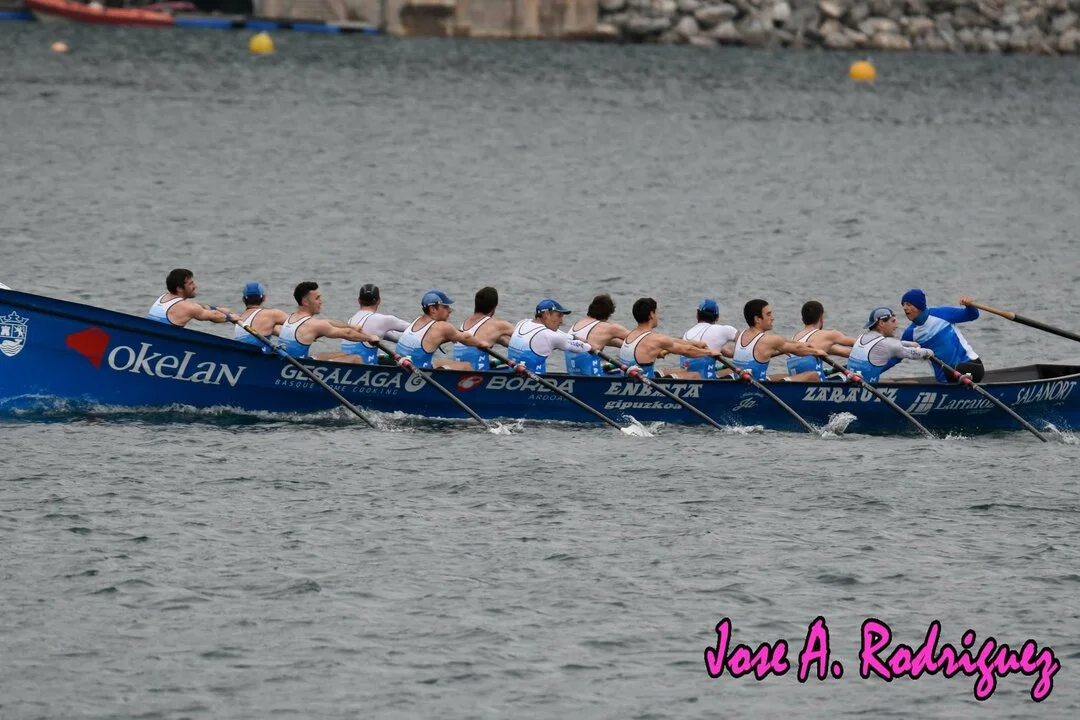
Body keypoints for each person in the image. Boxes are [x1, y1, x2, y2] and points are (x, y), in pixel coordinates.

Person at [618, 297, 722, 379]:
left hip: (630, 378)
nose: (658, 315)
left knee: (681, 371)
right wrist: (709, 353)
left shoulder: (632, 334)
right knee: (696, 375)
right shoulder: (655, 339)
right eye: (657, 312)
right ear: (651, 314)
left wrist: (694, 343)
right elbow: (686, 351)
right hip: (644, 384)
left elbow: (672, 341)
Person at [277, 281, 379, 361]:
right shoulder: (313, 325)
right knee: (356, 358)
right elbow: (348, 333)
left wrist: (351, 326)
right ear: (305, 302)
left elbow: (329, 322)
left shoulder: (292, 317)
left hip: (289, 361)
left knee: (343, 354)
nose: (321, 301)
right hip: (298, 367)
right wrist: (369, 338)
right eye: (317, 298)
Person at [900, 289, 983, 382]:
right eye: (903, 305)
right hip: (946, 378)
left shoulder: (942, 313)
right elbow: (897, 354)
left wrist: (970, 306)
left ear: (919, 306)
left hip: (972, 365)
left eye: (908, 304)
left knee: (960, 371)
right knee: (945, 373)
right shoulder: (910, 333)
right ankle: (958, 383)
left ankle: (962, 380)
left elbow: (972, 315)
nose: (905, 308)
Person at [731, 299, 826, 381]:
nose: (772, 318)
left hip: (742, 383)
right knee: (813, 375)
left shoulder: (740, 336)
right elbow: (797, 350)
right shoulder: (768, 340)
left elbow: (791, 343)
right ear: (757, 319)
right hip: (755, 389)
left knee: (786, 375)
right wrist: (817, 351)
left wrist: (806, 345)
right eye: (768, 314)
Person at [396, 290, 490, 370]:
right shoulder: (442, 327)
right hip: (417, 373)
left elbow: (431, 339)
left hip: (401, 366)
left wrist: (449, 337)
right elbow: (466, 338)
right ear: (433, 309)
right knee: (467, 366)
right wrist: (480, 343)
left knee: (439, 362)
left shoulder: (417, 320)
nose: (450, 310)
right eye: (445, 307)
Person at [507, 298, 595, 374]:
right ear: (546, 314)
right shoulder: (550, 335)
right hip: (529, 378)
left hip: (513, 371)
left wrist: (574, 337)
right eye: (559, 316)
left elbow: (558, 334)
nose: (562, 322)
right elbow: (577, 347)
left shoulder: (523, 322)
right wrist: (591, 348)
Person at [848, 307, 934, 382]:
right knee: (911, 383)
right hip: (864, 387)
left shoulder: (861, 337)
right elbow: (913, 354)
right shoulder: (887, 344)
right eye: (893, 321)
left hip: (850, 380)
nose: (896, 326)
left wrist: (910, 343)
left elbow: (891, 344)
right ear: (881, 323)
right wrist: (928, 352)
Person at [785, 300, 856, 381]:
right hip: (818, 383)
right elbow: (858, 344)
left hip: (801, 383)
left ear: (803, 319)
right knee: (855, 376)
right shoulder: (828, 335)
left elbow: (845, 352)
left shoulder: (793, 339)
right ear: (821, 317)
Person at [340, 283, 409, 364]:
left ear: (358, 300)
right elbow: (415, 329)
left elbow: (393, 336)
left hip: (346, 365)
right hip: (365, 367)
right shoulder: (384, 320)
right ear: (379, 301)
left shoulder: (351, 320)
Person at [451, 286, 515, 371]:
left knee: (502, 339)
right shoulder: (498, 325)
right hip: (477, 375)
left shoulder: (466, 322)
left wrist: (503, 341)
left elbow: (493, 337)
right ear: (494, 308)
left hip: (458, 371)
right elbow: (524, 337)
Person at [565, 293, 630, 376]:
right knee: (630, 370)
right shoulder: (608, 327)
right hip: (593, 377)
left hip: (573, 375)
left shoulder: (576, 325)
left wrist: (626, 346)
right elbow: (638, 338)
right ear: (608, 315)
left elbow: (607, 341)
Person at [147, 268, 230, 327]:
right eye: (190, 284)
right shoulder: (188, 307)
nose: (195, 286)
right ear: (179, 288)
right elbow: (215, 316)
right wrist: (231, 317)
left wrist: (216, 308)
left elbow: (199, 307)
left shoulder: (164, 296)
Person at [680, 299, 737, 379]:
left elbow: (729, 353)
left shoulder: (687, 333)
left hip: (689, 377)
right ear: (717, 317)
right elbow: (744, 341)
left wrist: (722, 350)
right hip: (706, 379)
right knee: (735, 370)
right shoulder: (723, 330)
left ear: (697, 314)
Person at [232, 281, 289, 349]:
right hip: (258, 354)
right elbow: (297, 323)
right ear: (264, 298)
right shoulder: (271, 314)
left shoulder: (239, 319)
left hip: (242, 352)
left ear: (243, 299)